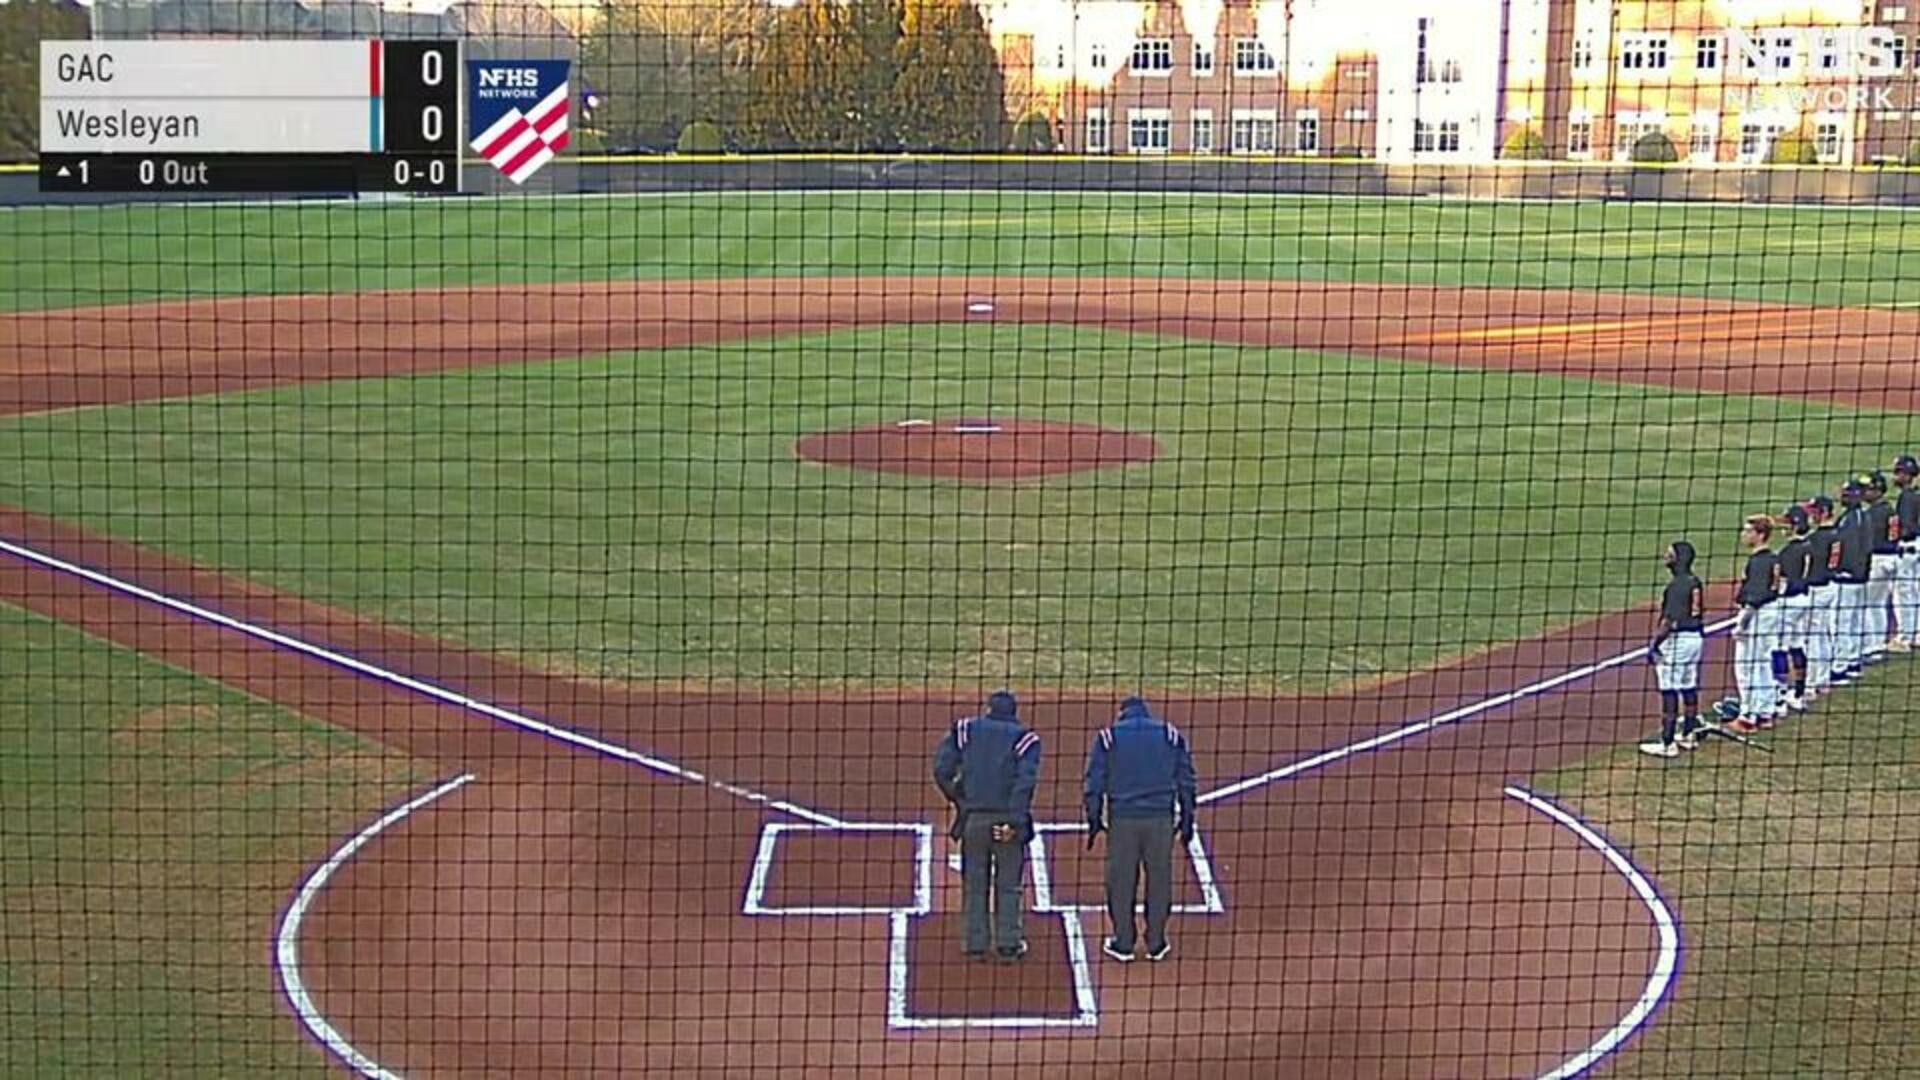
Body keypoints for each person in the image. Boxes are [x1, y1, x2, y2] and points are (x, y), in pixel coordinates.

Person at [1084, 695, 1197, 963]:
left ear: (1122, 713)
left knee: (1121, 881)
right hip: (1160, 820)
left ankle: (1123, 942)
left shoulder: (1109, 737)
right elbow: (1186, 780)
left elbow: (1094, 783)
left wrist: (1094, 819)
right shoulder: (1169, 734)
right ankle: (1156, 942)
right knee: (1159, 879)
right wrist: (1187, 818)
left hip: (1123, 820)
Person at [932, 689, 1042, 962]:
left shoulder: (966, 730)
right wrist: (1014, 823)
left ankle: (975, 944)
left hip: (974, 820)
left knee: (974, 882)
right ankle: (1008, 944)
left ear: (988, 709)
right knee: (1008, 884)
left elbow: (942, 770)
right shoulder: (1025, 739)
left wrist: (960, 798)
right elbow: (1025, 784)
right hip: (1006, 821)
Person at [1640, 540, 1708, 758]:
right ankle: (1688, 734)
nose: (1665, 557)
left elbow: (1669, 621)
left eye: (1670, 554)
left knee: (1669, 690)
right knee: (1688, 685)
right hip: (1695, 638)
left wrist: (1654, 645)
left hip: (1678, 641)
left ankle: (1668, 742)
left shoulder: (1676, 586)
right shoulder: (1694, 581)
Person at [1729, 515, 1783, 733]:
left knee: (1746, 667)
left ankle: (1748, 716)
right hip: (1770, 611)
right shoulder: (1773, 558)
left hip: (1757, 615)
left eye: (1748, 531)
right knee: (1762, 664)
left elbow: (1754, 598)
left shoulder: (1759, 562)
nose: (1744, 535)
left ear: (1760, 535)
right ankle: (1766, 712)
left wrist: (1741, 625)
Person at [1773, 505, 1816, 714]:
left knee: (1779, 648)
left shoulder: (1789, 551)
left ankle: (1780, 698)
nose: (1784, 527)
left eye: (1787, 523)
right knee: (1797, 645)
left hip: (1789, 602)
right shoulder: (1809, 545)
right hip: (1804, 598)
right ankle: (1798, 694)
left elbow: (1782, 582)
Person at [1831, 477, 1874, 683]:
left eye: (1847, 493)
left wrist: (1843, 570)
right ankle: (1853, 661)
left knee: (1842, 622)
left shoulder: (1850, 520)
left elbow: (1849, 548)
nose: (1843, 496)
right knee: (1855, 620)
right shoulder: (1864, 516)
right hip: (1861, 577)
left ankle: (1840, 666)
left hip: (1848, 578)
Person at [1801, 495, 1841, 700]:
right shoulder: (1837, 533)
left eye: (1814, 512)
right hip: (1831, 585)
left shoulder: (1816, 539)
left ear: (1824, 512)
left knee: (1812, 638)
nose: (1811, 516)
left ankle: (1810, 684)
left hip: (1816, 589)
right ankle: (1823, 680)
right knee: (1823, 634)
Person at [1863, 470, 1901, 659]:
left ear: (1878, 491)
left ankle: (1872, 646)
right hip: (1892, 558)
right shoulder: (1889, 509)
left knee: (1868, 604)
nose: (1864, 493)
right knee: (1878, 603)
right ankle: (1879, 643)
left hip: (1878, 560)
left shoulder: (1872, 514)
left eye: (1868, 489)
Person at [1892, 455, 1920, 652]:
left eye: (1899, 472)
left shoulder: (1907, 497)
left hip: (1909, 549)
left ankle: (1904, 638)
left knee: (1904, 595)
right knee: (1916, 592)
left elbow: (1907, 526)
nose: (1896, 476)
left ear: (1908, 475)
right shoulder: (1916, 495)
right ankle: (1917, 634)